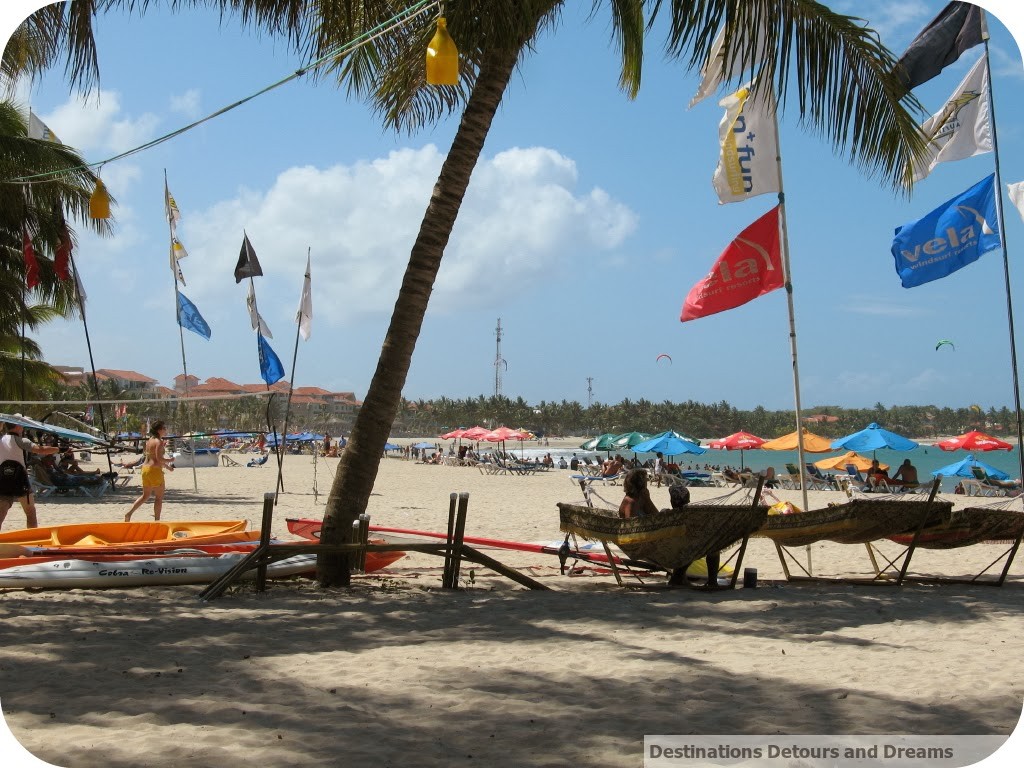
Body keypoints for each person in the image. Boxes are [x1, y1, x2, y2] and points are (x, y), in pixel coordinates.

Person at [0, 417, 60, 530]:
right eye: (21, 424)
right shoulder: (22, 441)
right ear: (17, 426)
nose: (22, 427)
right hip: (20, 480)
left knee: (1, 514)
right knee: (30, 512)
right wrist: (58, 449)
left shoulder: (1, 439)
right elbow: (41, 450)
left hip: (3, 480)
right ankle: (33, 540)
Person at [124, 421, 174, 522]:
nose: (165, 430)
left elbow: (152, 458)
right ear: (159, 430)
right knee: (159, 498)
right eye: (164, 428)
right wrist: (170, 461)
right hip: (154, 471)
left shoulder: (150, 440)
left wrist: (167, 467)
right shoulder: (158, 442)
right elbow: (159, 459)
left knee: (145, 496)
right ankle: (157, 520)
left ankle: (129, 513)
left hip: (145, 469)